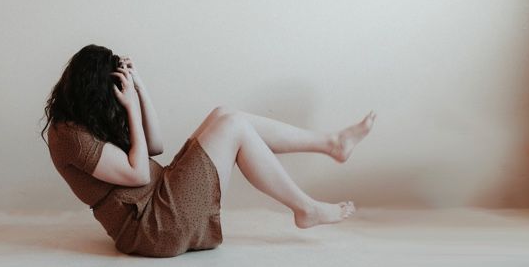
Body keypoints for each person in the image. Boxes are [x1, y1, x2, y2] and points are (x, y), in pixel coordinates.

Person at [41, 44, 376, 258]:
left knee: (225, 115)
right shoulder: (69, 135)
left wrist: (140, 90)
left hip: (162, 202)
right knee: (231, 124)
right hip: (153, 228)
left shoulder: (86, 121)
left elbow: (154, 147)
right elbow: (139, 173)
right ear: (95, 91)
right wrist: (128, 108)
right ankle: (307, 206)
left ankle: (331, 144)